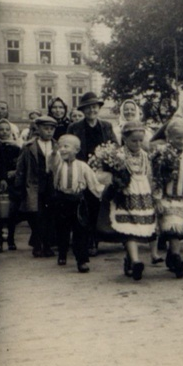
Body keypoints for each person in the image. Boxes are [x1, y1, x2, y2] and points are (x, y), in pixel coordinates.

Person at [67, 92, 118, 257]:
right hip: (82, 170)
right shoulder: (74, 127)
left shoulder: (106, 126)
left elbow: (115, 147)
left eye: (94, 107)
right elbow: (68, 148)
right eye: (88, 108)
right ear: (83, 110)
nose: (91, 110)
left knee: (101, 205)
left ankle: (98, 238)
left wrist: (107, 159)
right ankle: (88, 240)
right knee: (87, 205)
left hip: (103, 170)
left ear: (99, 108)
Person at [107, 122, 158, 280]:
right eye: (133, 141)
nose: (137, 144)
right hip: (126, 193)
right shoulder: (118, 155)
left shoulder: (145, 155)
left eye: (140, 140)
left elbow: (149, 175)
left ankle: (131, 260)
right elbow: (110, 174)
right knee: (129, 227)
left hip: (143, 193)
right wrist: (118, 183)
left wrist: (153, 193)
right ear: (124, 139)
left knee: (143, 226)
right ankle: (135, 261)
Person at [151, 118, 183, 278]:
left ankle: (171, 256)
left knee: (176, 229)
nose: (182, 141)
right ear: (169, 137)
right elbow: (156, 177)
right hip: (167, 197)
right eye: (178, 138)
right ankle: (177, 258)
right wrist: (157, 198)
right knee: (173, 228)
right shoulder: (162, 153)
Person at [51, 135, 104, 273]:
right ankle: (62, 253)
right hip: (61, 200)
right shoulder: (57, 164)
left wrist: (100, 193)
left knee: (80, 230)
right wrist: (55, 152)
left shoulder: (83, 166)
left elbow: (92, 182)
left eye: (66, 146)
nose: (62, 149)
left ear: (76, 150)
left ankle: (82, 260)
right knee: (62, 229)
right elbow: (51, 162)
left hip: (77, 201)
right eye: (60, 146)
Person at [11, 115, 59, 257]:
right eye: (45, 128)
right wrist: (19, 186)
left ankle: (47, 245)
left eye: (51, 129)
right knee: (36, 216)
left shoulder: (57, 146)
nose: (49, 131)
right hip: (33, 185)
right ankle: (37, 244)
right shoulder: (29, 146)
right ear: (38, 129)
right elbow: (21, 167)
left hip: (51, 186)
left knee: (50, 216)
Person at [0, 119, 22, 252]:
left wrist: (15, 172)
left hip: (12, 182)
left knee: (11, 211)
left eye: (7, 129)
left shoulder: (16, 148)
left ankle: (11, 239)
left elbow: (20, 164)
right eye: (1, 129)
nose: (4, 132)